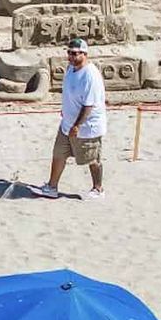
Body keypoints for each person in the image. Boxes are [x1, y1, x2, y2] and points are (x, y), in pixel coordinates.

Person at [36, 38, 107, 200]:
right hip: (67, 123)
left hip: (86, 126)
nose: (71, 57)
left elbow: (89, 105)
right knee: (58, 154)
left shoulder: (90, 75)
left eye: (75, 54)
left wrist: (77, 125)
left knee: (91, 158)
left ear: (84, 54)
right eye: (69, 53)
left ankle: (98, 188)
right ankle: (52, 187)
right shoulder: (70, 68)